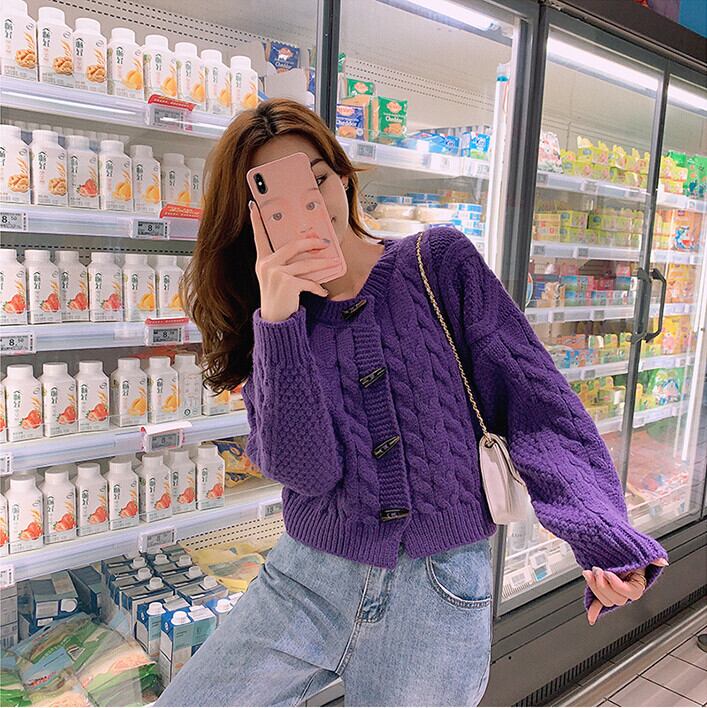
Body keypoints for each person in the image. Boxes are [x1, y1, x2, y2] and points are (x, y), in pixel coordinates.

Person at [155, 98, 669, 707]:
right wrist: (279, 319)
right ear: (253, 220)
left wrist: (600, 532)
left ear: (344, 178)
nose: (311, 203)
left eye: (318, 179)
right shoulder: (274, 322)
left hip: (437, 591)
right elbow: (306, 472)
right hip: (306, 579)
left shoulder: (437, 263)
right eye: (278, 200)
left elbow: (537, 405)